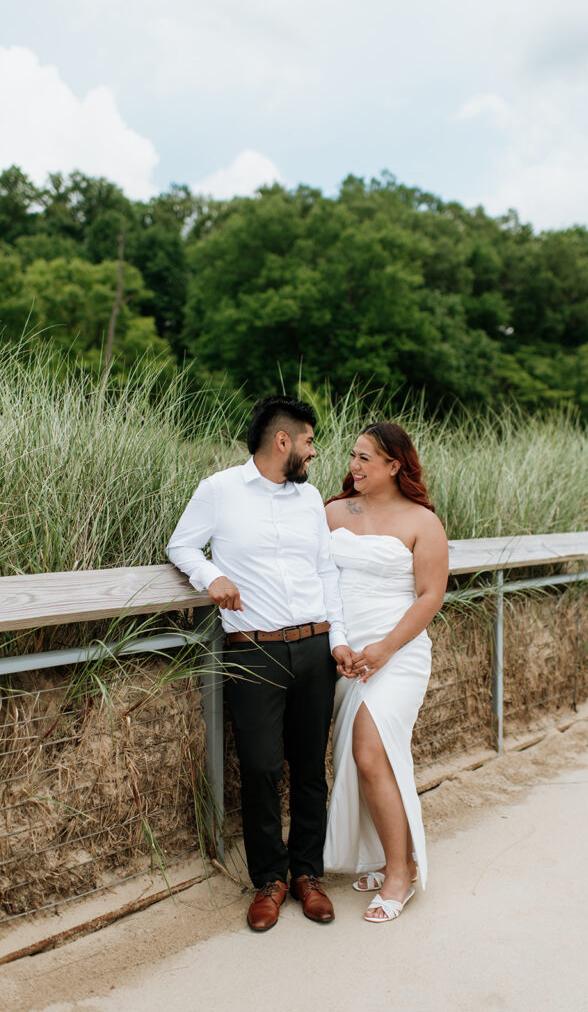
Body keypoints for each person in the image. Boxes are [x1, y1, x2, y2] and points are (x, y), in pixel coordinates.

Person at [166, 395, 355, 932]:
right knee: (261, 766)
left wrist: (337, 639)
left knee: (309, 767)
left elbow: (326, 575)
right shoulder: (219, 490)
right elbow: (181, 546)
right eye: (310, 441)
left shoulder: (310, 497)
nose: (315, 452)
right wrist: (211, 578)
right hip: (253, 650)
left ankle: (307, 875)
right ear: (283, 441)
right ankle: (269, 880)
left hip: (315, 648)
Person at [323, 421, 448, 922]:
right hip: (345, 654)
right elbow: (320, 582)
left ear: (394, 466)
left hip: (399, 651)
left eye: (365, 459)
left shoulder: (422, 521)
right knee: (362, 761)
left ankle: (401, 873)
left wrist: (385, 649)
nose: (353, 466)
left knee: (370, 751)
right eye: (353, 456)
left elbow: (430, 596)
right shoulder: (331, 512)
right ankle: (383, 856)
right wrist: (341, 645)